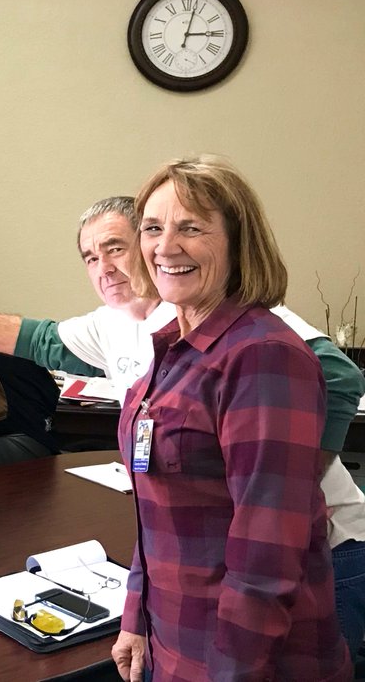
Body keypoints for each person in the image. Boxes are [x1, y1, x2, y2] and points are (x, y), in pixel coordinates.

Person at [0, 193, 365, 657]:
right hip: (213, 558)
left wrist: (293, 488)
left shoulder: (217, 310)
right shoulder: (114, 324)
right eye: (90, 257)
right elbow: (35, 339)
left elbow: (341, 376)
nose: (104, 267)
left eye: (115, 248)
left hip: (324, 549)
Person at [109, 159, 350, 679]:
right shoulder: (174, 348)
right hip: (173, 640)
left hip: (247, 658)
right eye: (152, 228)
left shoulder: (262, 355)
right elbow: (157, 512)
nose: (165, 247)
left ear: (238, 243)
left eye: (191, 228)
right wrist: (136, 618)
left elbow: (268, 550)